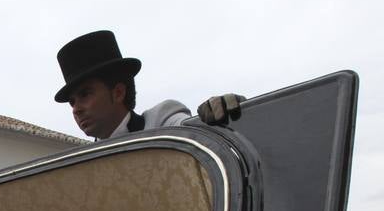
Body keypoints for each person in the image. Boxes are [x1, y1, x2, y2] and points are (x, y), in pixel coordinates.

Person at [54, 29, 243, 140]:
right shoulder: (84, 165)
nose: (76, 109)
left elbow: (203, 134)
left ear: (118, 92)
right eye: (72, 102)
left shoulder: (163, 123)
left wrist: (230, 114)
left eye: (85, 94)